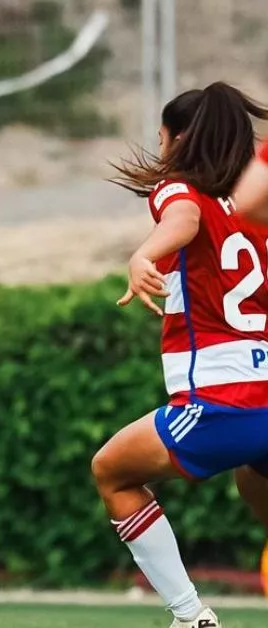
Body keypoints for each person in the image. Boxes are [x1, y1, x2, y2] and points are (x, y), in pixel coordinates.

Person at [93, 81, 268, 628]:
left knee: (112, 473)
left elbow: (182, 221)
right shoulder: (258, 210)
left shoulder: (179, 190)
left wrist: (145, 253)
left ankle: (191, 616)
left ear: (180, 139)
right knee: (253, 483)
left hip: (222, 400)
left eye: (163, 136)